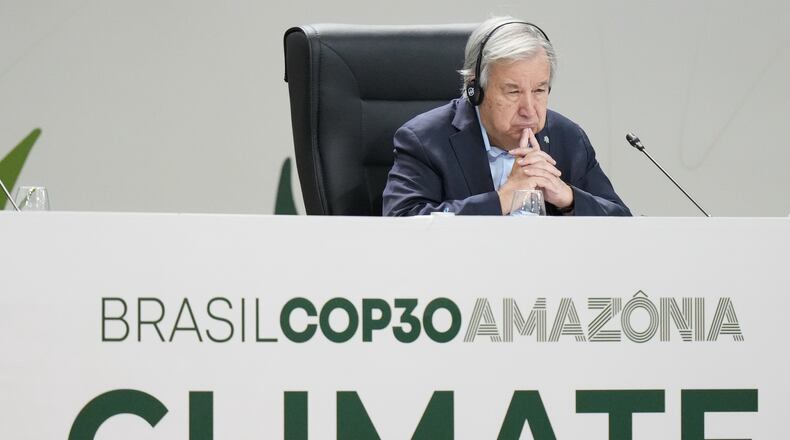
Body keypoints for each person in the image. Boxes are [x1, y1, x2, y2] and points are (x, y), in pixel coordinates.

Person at [382, 17, 631, 216]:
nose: (529, 109)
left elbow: (623, 226)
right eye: (513, 91)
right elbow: (403, 223)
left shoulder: (568, 138)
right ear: (474, 89)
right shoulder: (424, 141)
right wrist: (504, 198)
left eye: (539, 90)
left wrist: (570, 199)